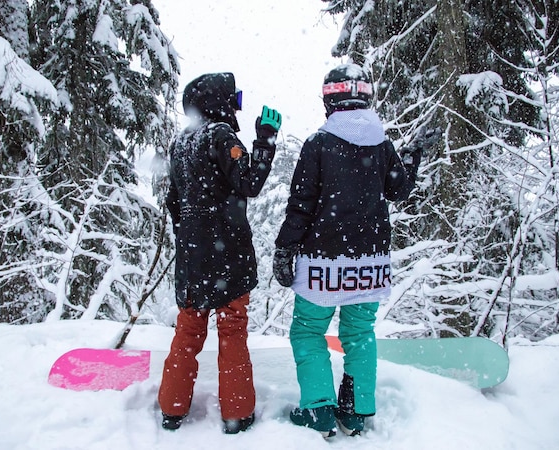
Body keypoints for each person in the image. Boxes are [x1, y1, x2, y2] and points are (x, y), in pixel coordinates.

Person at [273, 63, 435, 437]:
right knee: (360, 333)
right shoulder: (382, 145)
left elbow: (301, 204)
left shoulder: (318, 144)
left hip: (322, 263)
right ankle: (356, 410)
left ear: (330, 100)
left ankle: (319, 409)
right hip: (370, 262)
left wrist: (285, 249)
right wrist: (411, 156)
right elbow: (399, 190)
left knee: (307, 332)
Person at [158, 72, 281, 434]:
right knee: (232, 331)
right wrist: (265, 139)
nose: (236, 105)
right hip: (228, 254)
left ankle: (172, 410)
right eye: (234, 98)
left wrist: (191, 241)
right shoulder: (220, 136)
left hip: (193, 255)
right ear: (218, 102)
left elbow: (173, 203)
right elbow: (250, 182)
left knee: (188, 331)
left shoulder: (180, 144)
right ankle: (236, 414)